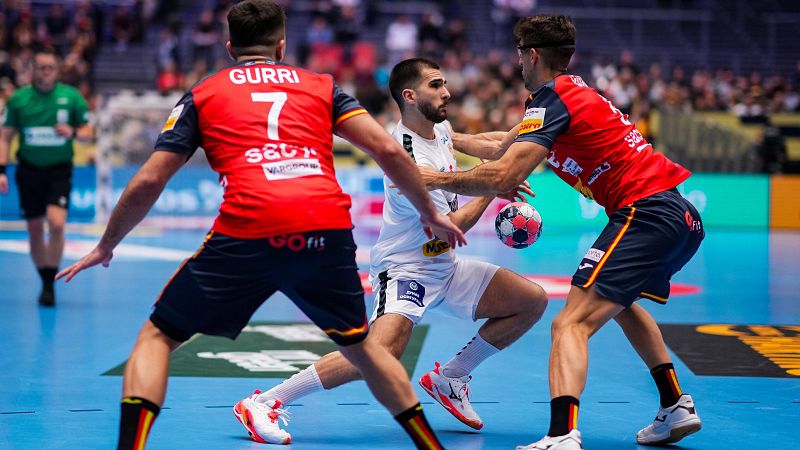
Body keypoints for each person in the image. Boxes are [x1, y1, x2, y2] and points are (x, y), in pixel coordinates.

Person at [56, 2, 465, 449]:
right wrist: (430, 211)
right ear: (282, 45)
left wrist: (106, 244)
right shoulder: (321, 86)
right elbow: (388, 152)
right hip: (323, 229)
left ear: (230, 47)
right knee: (364, 348)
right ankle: (430, 446)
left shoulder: (203, 93)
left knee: (157, 337)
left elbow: (153, 176)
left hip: (247, 227)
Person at [417, 15, 705, 450]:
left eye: (518, 52)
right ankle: (674, 405)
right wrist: (448, 136)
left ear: (531, 54)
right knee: (621, 304)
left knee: (569, 324)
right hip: (679, 216)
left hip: (645, 211)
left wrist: (433, 179)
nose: (516, 60)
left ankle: (562, 434)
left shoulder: (553, 100)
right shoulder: (569, 94)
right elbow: (502, 145)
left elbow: (504, 172)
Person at [236, 57, 549, 442]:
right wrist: (494, 190)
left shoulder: (441, 129)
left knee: (531, 301)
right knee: (380, 354)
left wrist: (541, 117)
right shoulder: (403, 160)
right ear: (410, 96)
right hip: (406, 270)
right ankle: (265, 401)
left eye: (445, 83)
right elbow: (451, 230)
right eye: (437, 85)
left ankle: (450, 378)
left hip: (444, 266)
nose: (447, 91)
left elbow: (494, 145)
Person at [0, 48, 91, 307]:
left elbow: (87, 132)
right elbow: (5, 137)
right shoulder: (19, 100)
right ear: (33, 69)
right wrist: (1, 170)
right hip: (28, 170)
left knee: (57, 223)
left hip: (59, 170)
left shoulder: (70, 97)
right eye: (42, 67)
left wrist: (72, 131)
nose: (46, 71)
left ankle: (50, 280)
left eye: (51, 67)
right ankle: (45, 280)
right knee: (35, 228)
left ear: (57, 69)